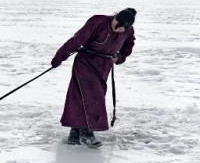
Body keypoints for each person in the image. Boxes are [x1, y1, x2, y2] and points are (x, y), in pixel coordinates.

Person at [51, 8, 136, 147]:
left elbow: (129, 44)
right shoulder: (98, 22)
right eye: (117, 27)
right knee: (93, 96)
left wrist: (119, 57)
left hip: (104, 66)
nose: (119, 31)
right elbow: (76, 40)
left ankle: (75, 133)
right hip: (86, 62)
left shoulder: (128, 30)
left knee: (82, 97)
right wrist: (59, 58)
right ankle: (87, 133)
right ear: (115, 18)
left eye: (122, 30)